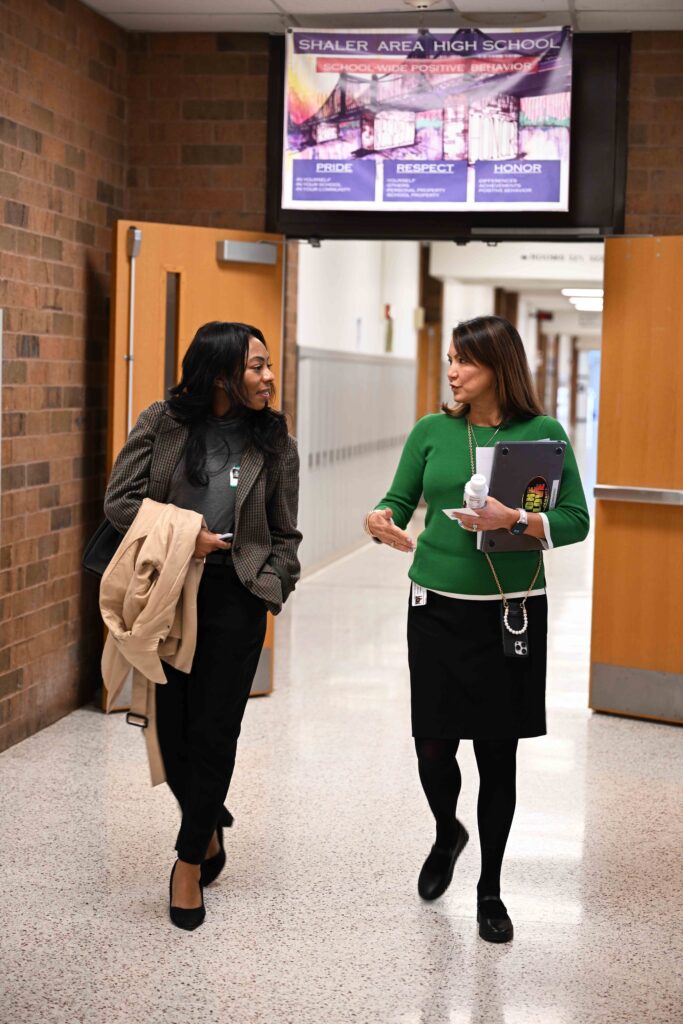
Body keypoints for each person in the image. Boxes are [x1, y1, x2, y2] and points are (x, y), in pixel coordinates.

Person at [364, 315, 589, 943]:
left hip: (510, 608)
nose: (453, 371)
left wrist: (514, 518)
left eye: (466, 361)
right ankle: (446, 832)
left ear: (499, 367)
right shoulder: (432, 431)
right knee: (433, 743)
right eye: (451, 361)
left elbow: (574, 520)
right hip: (435, 605)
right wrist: (382, 520)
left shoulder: (543, 436)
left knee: (497, 751)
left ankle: (491, 888)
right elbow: (398, 499)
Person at [104, 321, 302, 930]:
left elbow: (285, 531)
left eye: (268, 366)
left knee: (216, 729)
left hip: (236, 595)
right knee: (171, 732)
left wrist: (273, 583)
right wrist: (189, 535)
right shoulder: (164, 421)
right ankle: (209, 820)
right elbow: (119, 500)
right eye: (256, 367)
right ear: (220, 375)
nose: (269, 377)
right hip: (167, 589)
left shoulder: (272, 441)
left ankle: (187, 863)